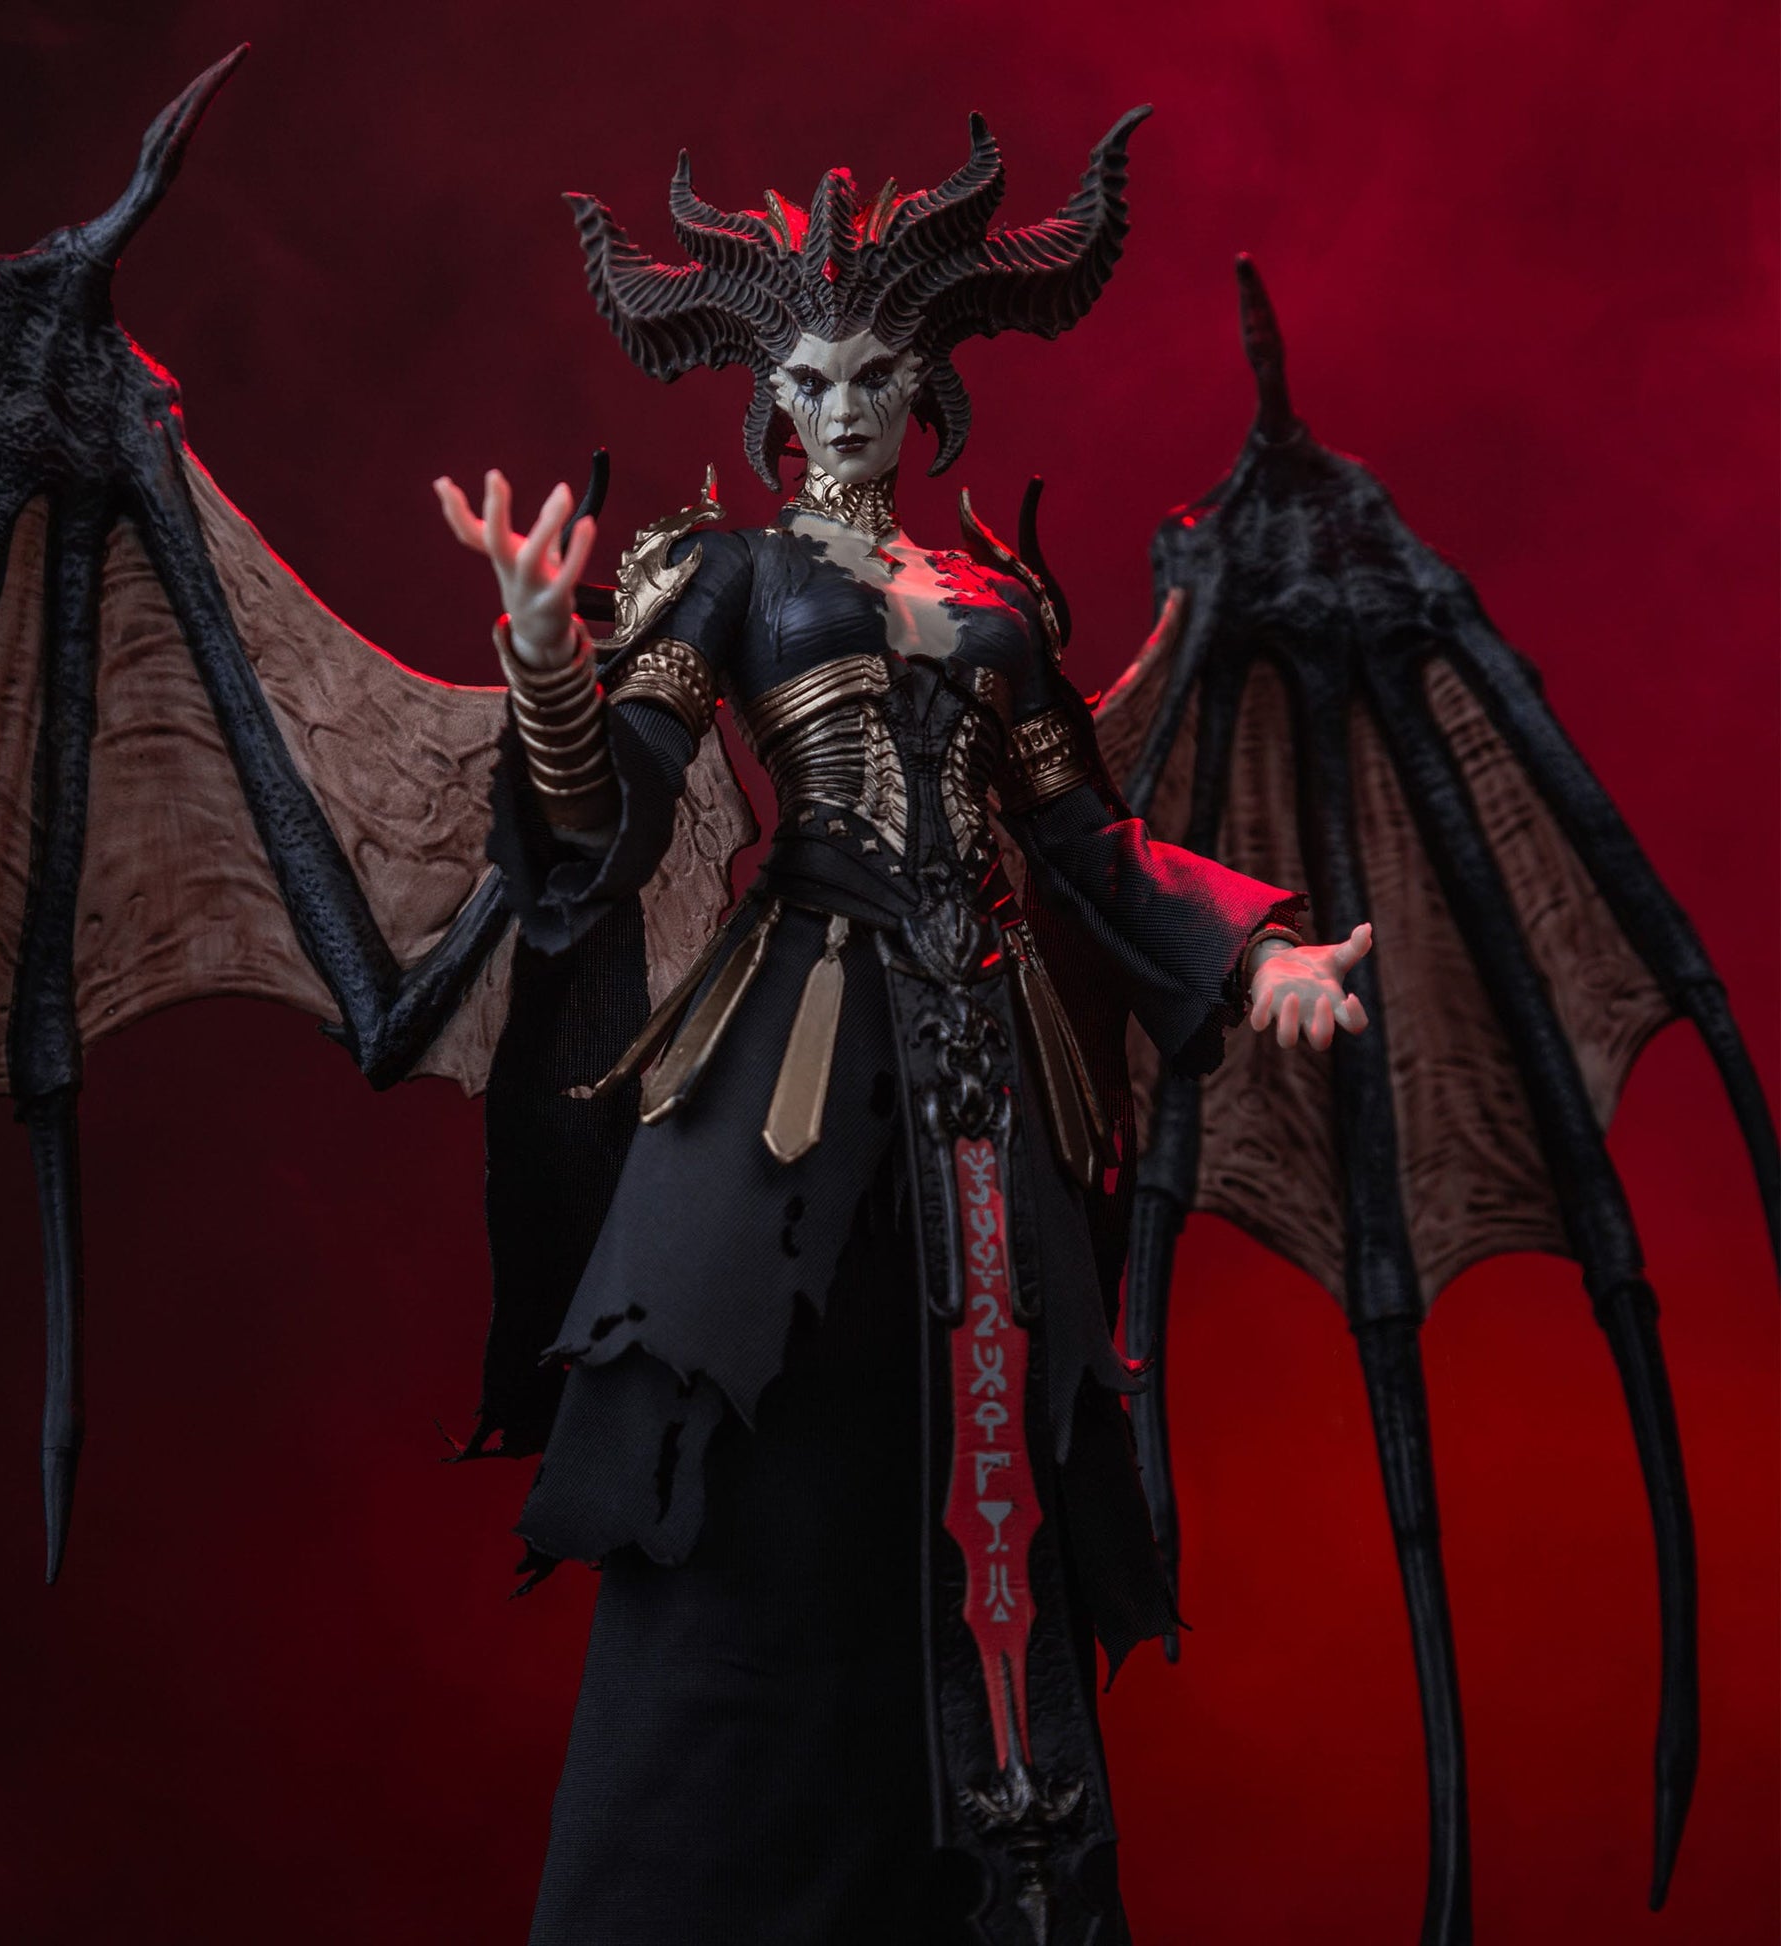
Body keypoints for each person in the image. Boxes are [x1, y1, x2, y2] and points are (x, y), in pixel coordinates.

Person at [433, 110, 1371, 1946]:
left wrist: (1253, 952)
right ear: (768, 394)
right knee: (763, 1492)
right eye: (810, 377)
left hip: (985, 1097)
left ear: (923, 381)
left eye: (872, 374)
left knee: (983, 1492)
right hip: (792, 1091)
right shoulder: (729, 576)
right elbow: (613, 812)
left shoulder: (995, 607)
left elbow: (1086, 843)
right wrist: (547, 668)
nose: (844, 407)